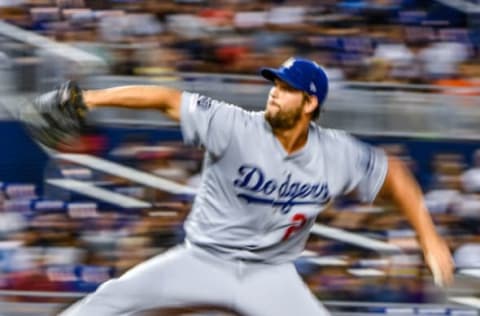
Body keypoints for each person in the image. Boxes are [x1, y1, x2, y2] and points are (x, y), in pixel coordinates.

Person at [43, 57, 453, 315]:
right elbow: (167, 99)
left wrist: (430, 239)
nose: (275, 93)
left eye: (287, 89)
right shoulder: (235, 124)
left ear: (310, 104)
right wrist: (90, 98)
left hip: (270, 275)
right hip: (202, 261)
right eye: (275, 84)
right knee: (105, 303)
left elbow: (394, 173)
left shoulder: (335, 153)